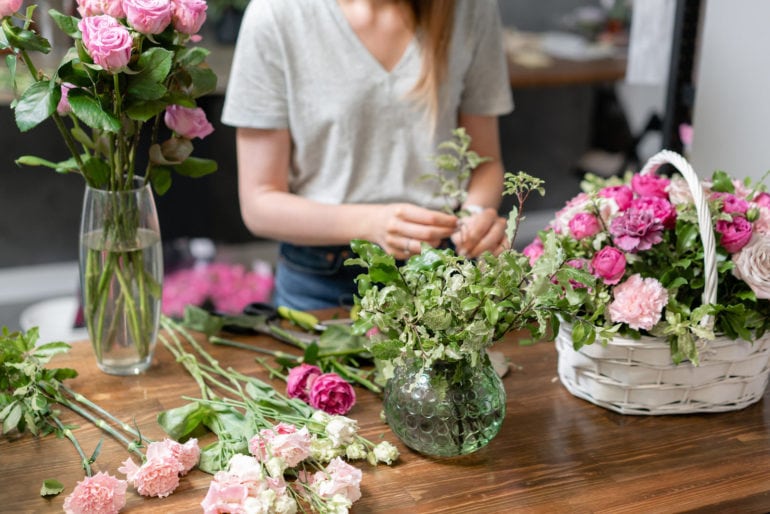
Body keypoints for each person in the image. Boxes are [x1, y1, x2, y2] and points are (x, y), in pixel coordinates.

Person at [222, 0, 514, 310]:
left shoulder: (468, 9)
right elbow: (259, 203)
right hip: (323, 284)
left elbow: (486, 162)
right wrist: (372, 223)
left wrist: (474, 218)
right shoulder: (277, 14)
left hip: (444, 272)